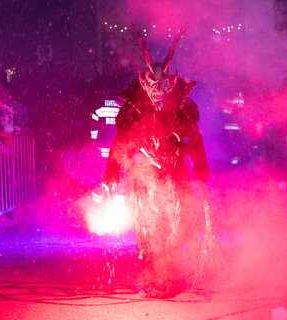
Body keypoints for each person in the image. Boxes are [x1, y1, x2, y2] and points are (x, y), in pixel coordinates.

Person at [102, 28, 211, 298]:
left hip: (174, 176)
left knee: (174, 227)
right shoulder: (133, 111)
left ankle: (169, 274)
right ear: (145, 84)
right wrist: (111, 175)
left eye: (164, 88)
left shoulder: (183, 109)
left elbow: (195, 140)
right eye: (153, 88)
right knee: (148, 229)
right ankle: (153, 276)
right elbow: (120, 143)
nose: (158, 94)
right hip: (143, 178)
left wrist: (200, 168)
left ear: (171, 86)